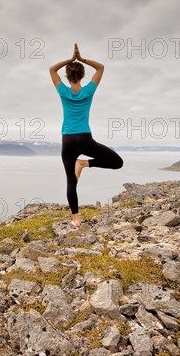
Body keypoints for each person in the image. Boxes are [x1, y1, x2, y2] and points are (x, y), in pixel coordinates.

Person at [49, 43, 124, 228]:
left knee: (70, 181)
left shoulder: (63, 92)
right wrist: (81, 59)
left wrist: (70, 59)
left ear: (67, 76)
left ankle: (75, 218)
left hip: (67, 140)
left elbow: (52, 69)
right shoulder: (88, 91)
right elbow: (101, 67)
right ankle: (84, 163)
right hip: (84, 138)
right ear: (82, 75)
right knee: (117, 162)